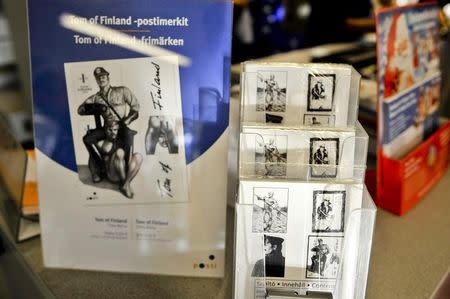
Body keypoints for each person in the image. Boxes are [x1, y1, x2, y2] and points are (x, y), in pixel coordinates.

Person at [78, 67, 140, 183]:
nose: (101, 79)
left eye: (103, 76)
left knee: (128, 136)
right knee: (87, 139)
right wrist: (95, 106)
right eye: (98, 77)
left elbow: (136, 109)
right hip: (106, 128)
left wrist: (127, 121)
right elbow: (80, 110)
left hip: (121, 126)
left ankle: (126, 172)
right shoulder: (96, 98)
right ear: (96, 80)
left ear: (108, 77)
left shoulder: (122, 91)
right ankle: (99, 164)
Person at [92, 120, 143, 198]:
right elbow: (95, 159)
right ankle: (125, 184)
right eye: (110, 130)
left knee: (139, 156)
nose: (113, 132)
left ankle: (125, 184)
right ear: (105, 130)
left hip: (123, 170)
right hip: (113, 175)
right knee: (119, 152)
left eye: (115, 130)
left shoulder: (121, 139)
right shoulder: (101, 143)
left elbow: (128, 159)